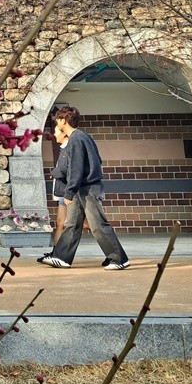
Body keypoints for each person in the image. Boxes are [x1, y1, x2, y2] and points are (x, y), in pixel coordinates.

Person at [38, 106, 130, 270]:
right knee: (72, 224)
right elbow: (96, 161)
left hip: (86, 189)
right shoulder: (83, 137)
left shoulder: (76, 140)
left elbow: (76, 168)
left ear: (63, 121)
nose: (56, 124)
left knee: (98, 225)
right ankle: (62, 257)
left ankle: (119, 259)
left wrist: (69, 191)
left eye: (58, 120)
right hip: (82, 188)